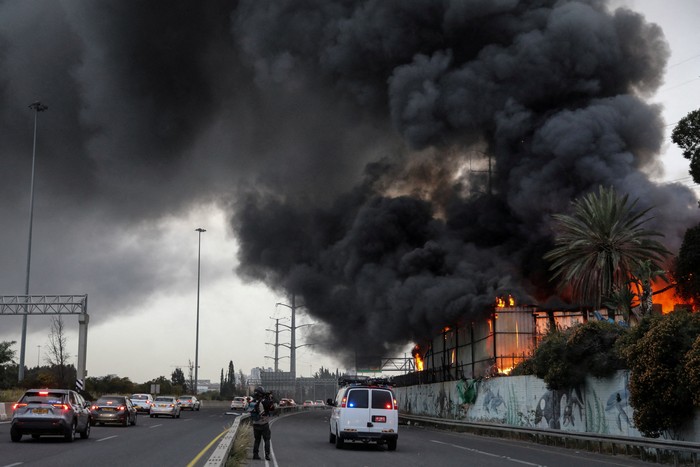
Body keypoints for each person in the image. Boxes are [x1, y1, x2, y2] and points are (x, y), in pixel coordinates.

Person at [247, 386, 275, 460]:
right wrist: (270, 399)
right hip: (264, 424)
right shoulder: (264, 401)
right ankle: (267, 455)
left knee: (257, 440)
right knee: (267, 439)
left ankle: (255, 454)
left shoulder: (253, 401)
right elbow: (272, 408)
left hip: (255, 424)